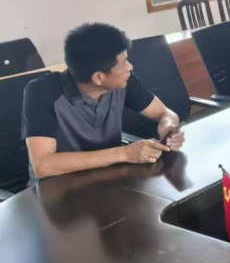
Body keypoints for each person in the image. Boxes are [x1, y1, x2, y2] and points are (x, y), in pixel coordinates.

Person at [22, 23, 185, 183]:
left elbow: (165, 113)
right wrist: (124, 153)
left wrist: (168, 129)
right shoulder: (42, 92)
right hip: (57, 187)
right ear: (99, 77)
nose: (130, 67)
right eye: (124, 63)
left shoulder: (124, 81)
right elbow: (43, 165)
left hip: (108, 178)